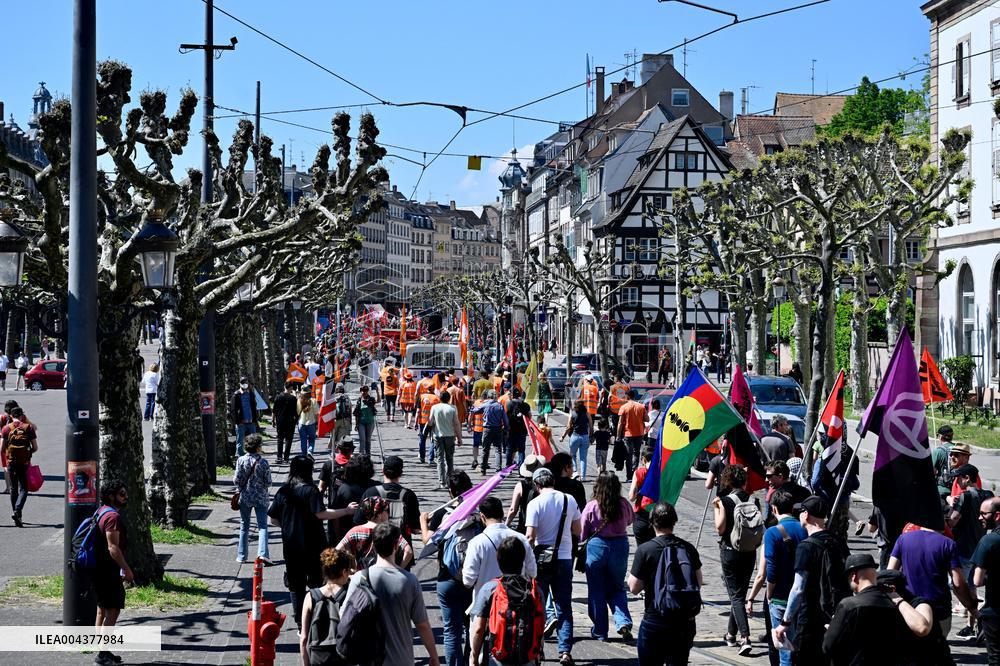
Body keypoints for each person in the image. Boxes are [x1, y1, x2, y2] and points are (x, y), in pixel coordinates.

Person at [268, 456, 357, 630]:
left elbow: (273, 519)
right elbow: (321, 514)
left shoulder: (283, 491)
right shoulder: (311, 491)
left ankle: (301, 623)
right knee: (317, 582)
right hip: (313, 545)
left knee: (295, 585)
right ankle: (317, 617)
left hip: (291, 547)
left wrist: (287, 526)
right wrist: (345, 511)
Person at [342, 523, 440, 666]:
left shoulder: (360, 579)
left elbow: (344, 614)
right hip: (402, 659)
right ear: (396, 547)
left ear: (374, 547)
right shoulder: (409, 581)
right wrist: (434, 656)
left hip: (369, 659)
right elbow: (422, 625)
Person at [774, 495, 850, 665]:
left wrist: (785, 622)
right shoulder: (838, 542)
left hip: (809, 621)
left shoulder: (806, 547)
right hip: (834, 617)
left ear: (806, 515)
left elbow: (798, 588)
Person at [628, 502, 703, 666]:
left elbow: (634, 587)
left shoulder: (646, 550)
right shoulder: (688, 548)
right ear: (674, 521)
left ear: (651, 522)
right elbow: (698, 581)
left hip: (656, 618)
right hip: (684, 621)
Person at [525, 466, 582, 665]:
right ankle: (565, 650)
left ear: (537, 484)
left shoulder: (535, 504)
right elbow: (578, 530)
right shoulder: (569, 499)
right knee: (564, 605)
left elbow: (530, 536)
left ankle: (538, 649)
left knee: (537, 605)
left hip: (541, 559)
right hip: (565, 557)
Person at [418, 471, 475, 666]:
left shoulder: (444, 514)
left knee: (451, 630)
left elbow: (428, 541)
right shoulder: (478, 514)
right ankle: (470, 661)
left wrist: (423, 523)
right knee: (472, 627)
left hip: (446, 578)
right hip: (472, 579)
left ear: (450, 491)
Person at [746, 488, 807, 666]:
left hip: (780, 598)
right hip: (802, 596)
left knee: (784, 648)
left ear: (773, 509)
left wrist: (769, 594)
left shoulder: (772, 533)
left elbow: (769, 571)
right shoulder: (804, 529)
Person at [889, 521, 979, 638]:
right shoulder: (948, 543)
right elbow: (958, 584)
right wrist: (971, 606)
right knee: (937, 651)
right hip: (939, 609)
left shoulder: (903, 539)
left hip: (910, 607)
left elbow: (890, 573)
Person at [821, 553, 915, 665]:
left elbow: (828, 646)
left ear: (853, 576)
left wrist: (833, 628)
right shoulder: (895, 604)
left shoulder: (849, 605)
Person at [468, 536, 545, 666]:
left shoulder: (490, 589)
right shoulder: (534, 590)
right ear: (522, 560)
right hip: (527, 657)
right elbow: (540, 624)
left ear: (498, 561)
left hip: (498, 658)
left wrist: (474, 657)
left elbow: (478, 628)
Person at [580, 472, 634, 642]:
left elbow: (582, 534)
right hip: (620, 547)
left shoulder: (592, 506)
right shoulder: (624, 504)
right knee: (617, 587)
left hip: (597, 548)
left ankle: (600, 631)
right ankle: (623, 621)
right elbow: (630, 520)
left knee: (597, 591)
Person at [713, 464, 756, 655]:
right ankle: (731, 634)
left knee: (736, 595)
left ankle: (745, 637)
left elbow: (719, 528)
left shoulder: (725, 501)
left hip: (730, 551)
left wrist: (716, 508)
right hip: (749, 551)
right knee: (739, 592)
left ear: (728, 481)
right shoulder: (753, 499)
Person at [947, 463, 994, 638]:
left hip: (963, 548)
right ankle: (971, 625)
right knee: (972, 585)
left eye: (959, 478)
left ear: (967, 478)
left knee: (957, 585)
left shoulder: (963, 497)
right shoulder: (987, 495)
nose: (957, 481)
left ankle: (978, 617)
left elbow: (952, 521)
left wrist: (948, 505)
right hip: (980, 546)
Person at [91, 478, 133, 666]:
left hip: (98, 569)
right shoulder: (113, 518)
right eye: (122, 494)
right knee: (113, 611)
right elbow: (113, 548)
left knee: (102, 610)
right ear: (111, 496)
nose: (126, 497)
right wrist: (126, 569)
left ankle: (103, 650)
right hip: (108, 570)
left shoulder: (101, 511)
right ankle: (102, 654)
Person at [465, 496, 537, 605]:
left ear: (482, 516)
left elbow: (468, 580)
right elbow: (532, 572)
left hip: (486, 604)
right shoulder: (520, 538)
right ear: (502, 514)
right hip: (517, 603)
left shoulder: (476, 543)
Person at [299, 547, 355, 666]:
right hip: (342, 655)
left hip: (318, 657)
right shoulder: (350, 594)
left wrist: (306, 663)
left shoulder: (310, 596)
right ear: (344, 572)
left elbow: (304, 637)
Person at [357, 456, 421, 548]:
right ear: (401, 473)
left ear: (382, 471)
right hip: (401, 547)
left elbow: (359, 520)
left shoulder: (370, 492)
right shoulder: (409, 495)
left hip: (374, 545)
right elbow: (415, 528)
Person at [337, 496, 413, 567]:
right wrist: (399, 568)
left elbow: (338, 550)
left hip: (362, 578)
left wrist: (350, 570)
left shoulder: (354, 532)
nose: (388, 513)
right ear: (379, 514)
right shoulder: (389, 531)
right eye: (386, 510)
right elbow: (408, 551)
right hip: (385, 576)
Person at [233, 434, 272, 564]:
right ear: (258, 447)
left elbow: (236, 480)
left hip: (245, 497)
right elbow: (268, 482)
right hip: (261, 497)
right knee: (262, 526)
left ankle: (242, 556)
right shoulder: (263, 462)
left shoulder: (240, 460)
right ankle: (262, 554)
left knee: (244, 526)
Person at [973, 496, 1000, 662]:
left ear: (997, 516)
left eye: (983, 514)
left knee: (996, 657)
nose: (979, 517)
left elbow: (977, 580)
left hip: (995, 611)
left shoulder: (988, 541)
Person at [2, 406, 37, 527]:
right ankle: (18, 511)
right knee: (24, 488)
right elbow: (35, 447)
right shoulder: (28, 428)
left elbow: (2, 448)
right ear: (22, 415)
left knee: (13, 488)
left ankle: (16, 514)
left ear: (11, 416)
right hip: (24, 462)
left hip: (11, 462)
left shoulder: (6, 428)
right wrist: (27, 453)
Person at [428, 389, 462, 489]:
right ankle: (450, 480)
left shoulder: (434, 407)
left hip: (438, 436)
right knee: (449, 459)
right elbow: (456, 424)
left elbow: (430, 422)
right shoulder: (452, 408)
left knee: (440, 459)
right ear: (449, 399)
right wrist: (459, 438)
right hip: (450, 436)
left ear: (440, 398)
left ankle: (442, 481)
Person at [471, 390, 508, 476]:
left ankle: (483, 468)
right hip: (498, 429)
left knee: (485, 450)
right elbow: (505, 420)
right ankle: (498, 469)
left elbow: (475, 411)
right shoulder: (500, 406)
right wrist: (506, 428)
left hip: (487, 429)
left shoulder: (485, 405)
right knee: (498, 450)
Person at [617, 390, 647, 480]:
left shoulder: (624, 407)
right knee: (636, 453)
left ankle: (629, 475)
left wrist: (618, 435)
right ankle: (635, 471)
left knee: (628, 455)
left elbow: (620, 423)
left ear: (627, 396)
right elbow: (647, 419)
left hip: (628, 434)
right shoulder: (641, 406)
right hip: (639, 433)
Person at [628, 447, 655, 546]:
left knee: (642, 549)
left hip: (641, 514)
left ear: (643, 459)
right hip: (656, 514)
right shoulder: (660, 473)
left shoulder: (639, 472)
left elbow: (631, 497)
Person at [560, 400, 591, 481]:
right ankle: (583, 477)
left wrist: (563, 436)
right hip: (585, 437)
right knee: (583, 458)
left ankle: (575, 472)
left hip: (575, 436)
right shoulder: (587, 414)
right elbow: (591, 426)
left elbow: (568, 427)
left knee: (573, 455)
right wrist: (591, 437)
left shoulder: (572, 414)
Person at [230, 376, 259, 457]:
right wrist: (237, 422)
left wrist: (255, 418)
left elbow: (254, 406)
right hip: (241, 423)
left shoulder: (251, 394)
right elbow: (233, 410)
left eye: (246, 382)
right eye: (243, 382)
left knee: (253, 440)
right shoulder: (236, 395)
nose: (245, 384)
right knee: (240, 441)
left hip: (251, 421)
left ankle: (253, 455)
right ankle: (240, 456)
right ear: (240, 384)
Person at [273, 381, 299, 464]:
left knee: (280, 439)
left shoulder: (278, 397)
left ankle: (279, 456)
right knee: (289, 439)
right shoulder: (293, 399)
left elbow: (274, 410)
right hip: (290, 421)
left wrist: (273, 420)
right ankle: (286, 457)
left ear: (284, 386)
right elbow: (296, 411)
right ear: (291, 388)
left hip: (280, 421)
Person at [506, 388, 531, 467]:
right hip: (522, 430)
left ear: (512, 395)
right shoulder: (525, 405)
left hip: (511, 429)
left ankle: (508, 466)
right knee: (521, 450)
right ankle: (521, 468)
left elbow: (505, 416)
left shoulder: (508, 404)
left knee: (510, 449)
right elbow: (529, 416)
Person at [416, 387, 440, 465]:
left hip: (423, 421)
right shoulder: (436, 398)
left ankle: (422, 457)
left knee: (422, 439)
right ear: (433, 390)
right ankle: (431, 459)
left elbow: (418, 411)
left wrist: (415, 422)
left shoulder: (421, 397)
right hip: (433, 422)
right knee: (433, 440)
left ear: (427, 389)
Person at [353, 385, 377, 457]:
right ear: (361, 391)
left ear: (367, 391)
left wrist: (378, 392)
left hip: (370, 422)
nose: (364, 392)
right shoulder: (359, 401)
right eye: (363, 390)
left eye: (366, 390)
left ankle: (368, 454)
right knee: (362, 439)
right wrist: (356, 424)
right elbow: (356, 413)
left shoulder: (371, 399)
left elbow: (378, 400)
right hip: (361, 423)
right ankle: (361, 455)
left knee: (368, 440)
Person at [296, 387, 319, 456]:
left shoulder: (299, 401)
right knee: (312, 439)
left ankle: (304, 454)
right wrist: (317, 423)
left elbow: (297, 412)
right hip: (311, 423)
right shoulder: (313, 401)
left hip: (301, 423)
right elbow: (316, 413)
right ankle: (310, 452)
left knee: (303, 440)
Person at [331, 384, 352, 449]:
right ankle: (339, 453)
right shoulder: (346, 397)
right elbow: (350, 409)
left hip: (335, 420)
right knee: (342, 438)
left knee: (333, 437)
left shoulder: (333, 397)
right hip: (345, 420)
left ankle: (333, 453)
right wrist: (350, 421)